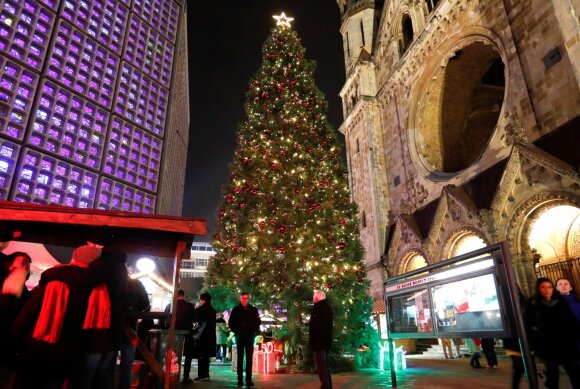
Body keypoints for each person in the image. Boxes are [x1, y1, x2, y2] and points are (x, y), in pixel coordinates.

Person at [9, 245, 104, 388]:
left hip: (34, 349)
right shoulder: (100, 291)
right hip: (67, 356)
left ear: (75, 258)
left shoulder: (51, 283)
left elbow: (26, 316)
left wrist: (9, 345)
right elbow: (93, 331)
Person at [524, 277, 580, 388]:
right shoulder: (533, 303)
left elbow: (572, 321)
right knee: (553, 377)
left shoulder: (561, 301)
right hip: (547, 347)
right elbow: (528, 325)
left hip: (566, 345)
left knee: (575, 375)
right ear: (538, 289)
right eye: (542, 287)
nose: (547, 290)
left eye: (549, 287)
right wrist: (534, 343)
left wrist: (574, 338)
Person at [119, 277, 150, 389]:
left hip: (108, 325)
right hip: (130, 326)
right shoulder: (135, 283)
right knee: (127, 363)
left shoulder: (107, 277)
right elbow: (146, 305)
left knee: (106, 362)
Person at [229, 291, 261, 387]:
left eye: (246, 298)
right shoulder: (236, 310)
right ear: (240, 298)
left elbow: (257, 322)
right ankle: (240, 378)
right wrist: (238, 331)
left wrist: (252, 331)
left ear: (248, 298)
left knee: (249, 358)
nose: (245, 300)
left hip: (249, 336)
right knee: (240, 357)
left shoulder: (253, 309)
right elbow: (231, 323)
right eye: (243, 298)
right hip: (240, 336)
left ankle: (248, 379)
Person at [309, 290, 333, 389]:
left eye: (314, 295)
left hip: (319, 342)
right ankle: (328, 384)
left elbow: (315, 326)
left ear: (317, 297)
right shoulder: (327, 308)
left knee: (321, 366)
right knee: (325, 365)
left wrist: (313, 340)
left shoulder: (318, 308)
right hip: (325, 341)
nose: (313, 297)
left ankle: (325, 386)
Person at [171, 289, 196, 383]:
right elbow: (195, 319)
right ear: (184, 295)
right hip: (187, 333)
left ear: (176, 296)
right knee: (188, 356)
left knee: (173, 355)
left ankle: (172, 375)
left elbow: (166, 321)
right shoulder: (190, 306)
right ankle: (186, 376)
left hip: (174, 334)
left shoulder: (171, 305)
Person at [192, 292, 216, 381]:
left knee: (201, 356)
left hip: (202, 336)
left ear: (202, 300)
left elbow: (196, 322)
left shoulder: (200, 310)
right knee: (207, 356)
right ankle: (207, 373)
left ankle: (202, 374)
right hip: (211, 336)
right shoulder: (213, 310)